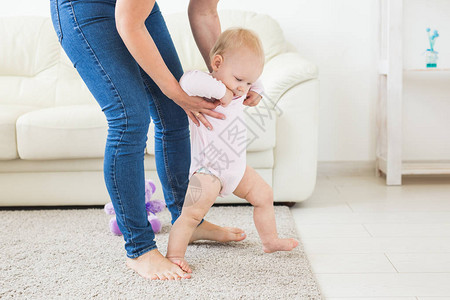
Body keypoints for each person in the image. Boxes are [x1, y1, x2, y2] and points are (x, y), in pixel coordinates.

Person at [49, 0, 262, 281]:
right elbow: (128, 23)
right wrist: (176, 91)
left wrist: (233, 81)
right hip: (86, 7)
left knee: (174, 111)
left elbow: (204, 11)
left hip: (136, 9)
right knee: (130, 117)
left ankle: (188, 221)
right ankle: (139, 249)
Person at [165, 28, 299, 273]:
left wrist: (257, 90)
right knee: (191, 215)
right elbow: (187, 80)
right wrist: (221, 92)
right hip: (207, 171)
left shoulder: (240, 85)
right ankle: (174, 255)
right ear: (217, 63)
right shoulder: (206, 86)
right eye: (239, 81)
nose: (241, 89)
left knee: (264, 195)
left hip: (235, 168)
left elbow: (253, 79)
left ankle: (269, 241)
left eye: (247, 83)